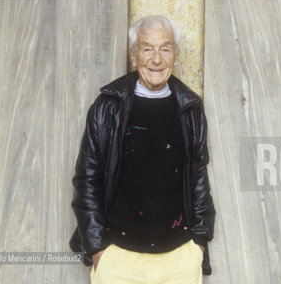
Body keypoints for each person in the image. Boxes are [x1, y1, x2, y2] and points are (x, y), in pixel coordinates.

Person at [69, 15, 216, 284]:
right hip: (118, 259)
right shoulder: (107, 107)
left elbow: (198, 178)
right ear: (133, 54)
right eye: (147, 48)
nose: (156, 59)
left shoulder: (190, 109)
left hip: (180, 258)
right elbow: (86, 179)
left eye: (165, 49)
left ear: (176, 55)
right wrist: (98, 250)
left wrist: (199, 243)